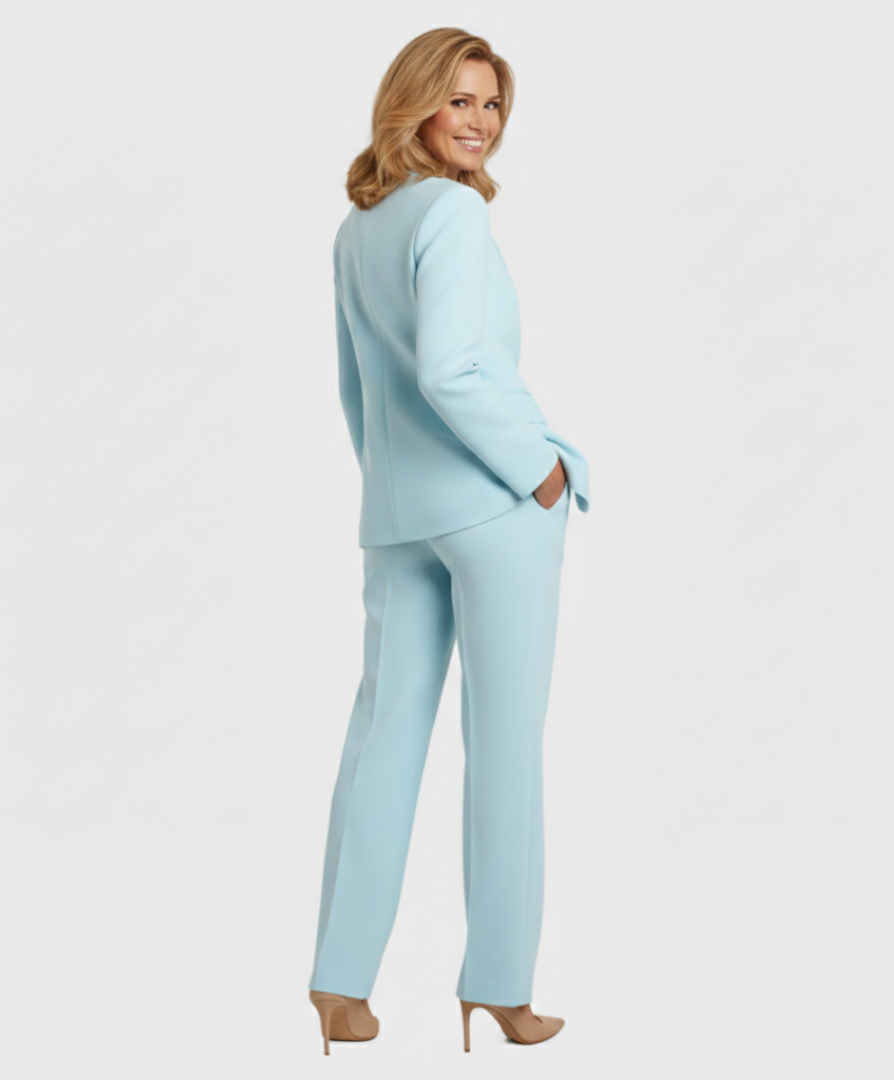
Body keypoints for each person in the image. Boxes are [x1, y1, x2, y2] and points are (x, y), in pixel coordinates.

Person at [307, 27, 591, 1056]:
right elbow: (452, 372)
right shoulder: (453, 214)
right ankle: (502, 990)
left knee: (381, 740)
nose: (480, 121)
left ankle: (339, 985)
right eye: (459, 100)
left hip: (398, 517)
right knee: (505, 748)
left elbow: (359, 388)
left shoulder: (358, 228)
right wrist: (541, 471)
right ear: (415, 103)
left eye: (492, 103)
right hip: (492, 508)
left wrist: (392, 488)